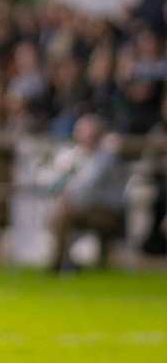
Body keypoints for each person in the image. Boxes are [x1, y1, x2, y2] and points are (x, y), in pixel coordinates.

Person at [50, 114, 130, 271]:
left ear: (97, 135)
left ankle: (59, 264)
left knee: (62, 215)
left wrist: (70, 202)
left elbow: (87, 184)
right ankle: (63, 261)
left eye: (86, 133)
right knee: (57, 215)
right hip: (83, 208)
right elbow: (58, 177)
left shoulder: (106, 156)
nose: (82, 137)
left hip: (109, 212)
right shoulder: (77, 154)